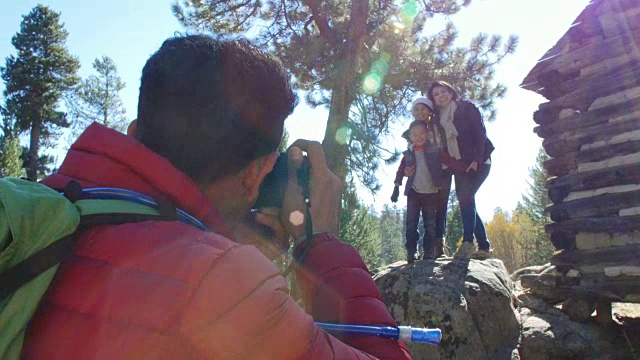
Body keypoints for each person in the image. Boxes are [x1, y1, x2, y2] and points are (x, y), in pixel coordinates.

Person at [22, 35, 411, 359]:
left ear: (134, 130)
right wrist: (322, 244)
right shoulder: (221, 284)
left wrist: (219, 240)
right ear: (257, 172)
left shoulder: (37, 213)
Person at [426, 80, 495, 260]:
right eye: (436, 94)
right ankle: (484, 247)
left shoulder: (466, 109)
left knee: (465, 197)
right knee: (466, 200)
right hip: (459, 165)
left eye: (444, 91)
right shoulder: (438, 119)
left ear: (451, 91)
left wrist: (476, 160)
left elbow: (480, 134)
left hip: (479, 162)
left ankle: (467, 243)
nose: (441, 96)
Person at [395, 97, 451, 259]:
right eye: (416, 109)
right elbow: (402, 167)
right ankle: (411, 252)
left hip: (432, 190)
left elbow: (447, 159)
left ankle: (430, 253)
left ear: (427, 135)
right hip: (414, 190)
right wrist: (399, 182)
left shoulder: (436, 134)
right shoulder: (409, 151)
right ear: (410, 136)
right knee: (411, 223)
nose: (418, 136)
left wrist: (464, 165)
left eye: (423, 108)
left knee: (430, 224)